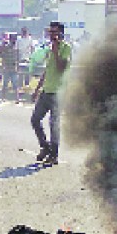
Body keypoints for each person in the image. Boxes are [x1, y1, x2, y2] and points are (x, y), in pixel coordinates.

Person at [31, 21, 72, 166]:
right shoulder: (49, 49)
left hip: (58, 93)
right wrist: (37, 90)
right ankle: (45, 146)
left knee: (54, 124)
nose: (52, 35)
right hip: (46, 91)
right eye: (50, 32)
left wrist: (56, 51)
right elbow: (47, 70)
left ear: (61, 34)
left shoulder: (66, 48)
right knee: (35, 119)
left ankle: (54, 154)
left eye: (55, 32)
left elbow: (61, 67)